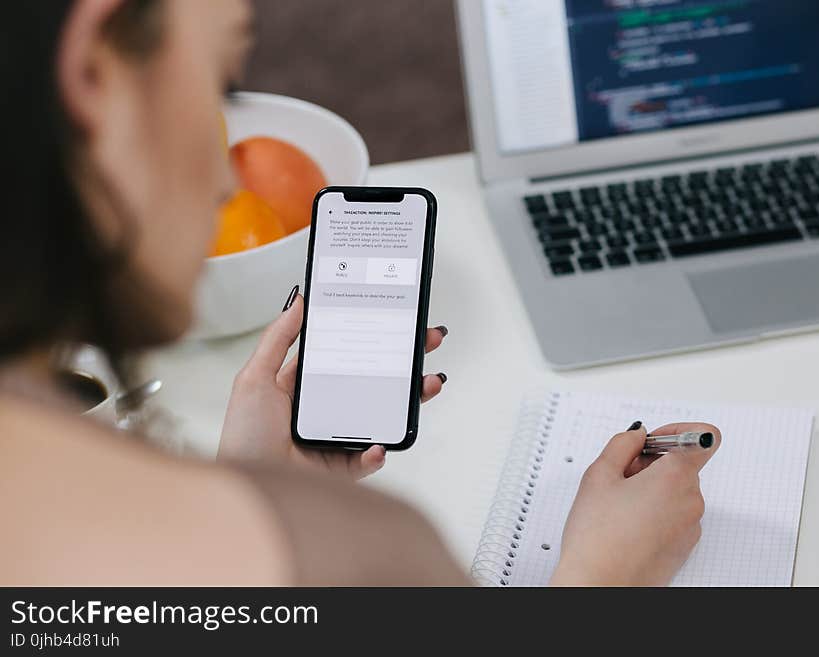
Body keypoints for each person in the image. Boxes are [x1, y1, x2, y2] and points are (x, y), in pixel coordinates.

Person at [0, 0, 719, 586]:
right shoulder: (357, 560)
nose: (228, 181)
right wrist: (604, 574)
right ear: (96, 71)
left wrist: (249, 479)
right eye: (221, 84)